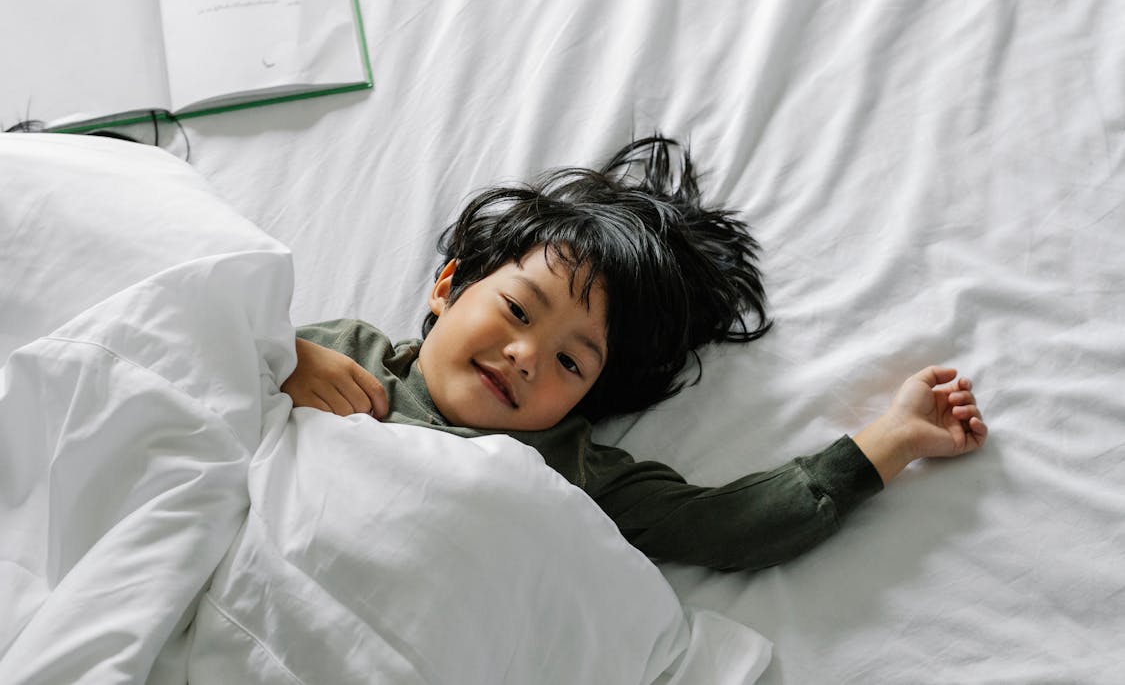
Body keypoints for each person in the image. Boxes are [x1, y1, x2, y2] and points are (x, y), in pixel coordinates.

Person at [282, 135, 988, 572]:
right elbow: (188, 358)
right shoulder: (342, 351)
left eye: (570, 363)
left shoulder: (573, 466)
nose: (526, 355)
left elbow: (725, 527)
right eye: (517, 310)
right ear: (448, 285)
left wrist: (889, 441)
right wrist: (277, 360)